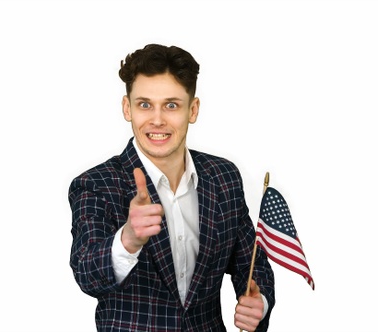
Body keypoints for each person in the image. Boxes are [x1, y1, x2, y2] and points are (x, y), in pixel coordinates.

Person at [68, 43, 275, 331]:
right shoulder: (95, 184)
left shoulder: (224, 177)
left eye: (171, 105)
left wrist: (259, 302)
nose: (157, 119)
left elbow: (250, 263)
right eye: (144, 105)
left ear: (193, 109)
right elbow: (87, 273)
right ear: (127, 108)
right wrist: (128, 240)